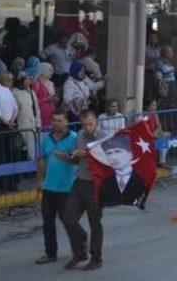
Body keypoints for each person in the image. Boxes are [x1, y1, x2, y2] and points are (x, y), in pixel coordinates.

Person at [61, 110, 107, 270]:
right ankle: (80, 248)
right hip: (80, 181)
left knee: (95, 222)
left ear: (96, 122)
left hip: (96, 185)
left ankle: (96, 257)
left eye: (90, 124)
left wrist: (87, 155)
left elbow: (107, 162)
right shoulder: (79, 135)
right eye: (84, 124)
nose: (88, 128)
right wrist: (70, 157)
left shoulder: (103, 137)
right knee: (68, 216)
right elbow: (75, 160)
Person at [35, 110, 78, 265]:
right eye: (54, 120)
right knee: (47, 221)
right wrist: (39, 181)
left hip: (67, 187)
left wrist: (67, 157)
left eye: (59, 120)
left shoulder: (74, 138)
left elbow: (78, 161)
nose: (56, 123)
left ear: (66, 122)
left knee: (68, 220)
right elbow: (42, 160)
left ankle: (79, 248)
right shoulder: (46, 139)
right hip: (49, 186)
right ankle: (50, 253)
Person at [99, 136, 147, 207]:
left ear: (130, 154)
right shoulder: (105, 183)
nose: (114, 157)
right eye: (109, 153)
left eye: (118, 151)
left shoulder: (141, 180)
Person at [12, 71, 41, 160]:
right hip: (22, 126)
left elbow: (36, 110)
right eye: (27, 79)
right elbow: (14, 109)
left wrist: (38, 124)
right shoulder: (14, 93)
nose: (29, 81)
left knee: (33, 151)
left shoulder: (32, 93)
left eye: (29, 79)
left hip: (32, 126)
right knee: (23, 150)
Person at [143, 98, 170, 166]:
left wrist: (155, 133)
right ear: (148, 107)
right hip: (147, 136)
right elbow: (144, 126)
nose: (154, 107)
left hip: (154, 134)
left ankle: (162, 160)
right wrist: (153, 134)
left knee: (167, 135)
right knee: (161, 138)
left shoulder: (155, 115)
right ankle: (161, 161)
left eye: (155, 105)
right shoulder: (145, 116)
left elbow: (159, 126)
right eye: (152, 105)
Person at [32, 62, 58, 127]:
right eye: (50, 70)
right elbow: (32, 101)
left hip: (52, 113)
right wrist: (45, 99)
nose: (52, 72)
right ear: (43, 70)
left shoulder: (52, 84)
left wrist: (55, 99)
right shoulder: (36, 84)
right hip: (41, 114)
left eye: (52, 70)